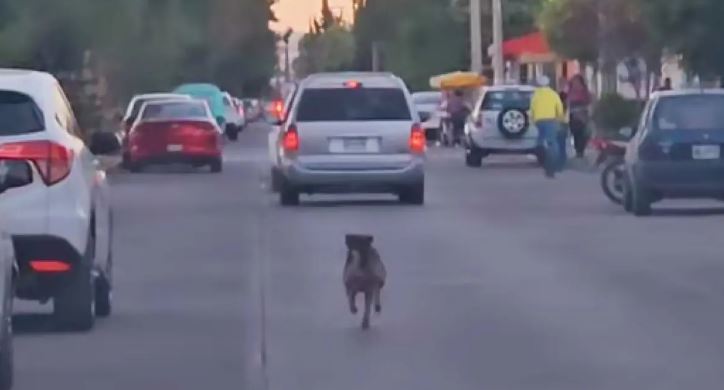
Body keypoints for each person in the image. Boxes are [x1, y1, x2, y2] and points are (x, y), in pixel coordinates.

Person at [531, 75, 566, 178]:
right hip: (551, 120)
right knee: (553, 143)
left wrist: (532, 120)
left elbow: (531, 109)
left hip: (539, 121)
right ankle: (552, 166)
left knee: (540, 141)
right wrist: (560, 119)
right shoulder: (553, 94)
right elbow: (559, 108)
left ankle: (541, 156)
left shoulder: (535, 95)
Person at [567, 74, 592, 158]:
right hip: (573, 117)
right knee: (575, 134)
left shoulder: (584, 91)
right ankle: (578, 151)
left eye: (577, 81)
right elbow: (568, 103)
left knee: (583, 134)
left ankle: (581, 151)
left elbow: (589, 102)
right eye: (574, 82)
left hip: (582, 117)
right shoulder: (570, 91)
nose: (575, 83)